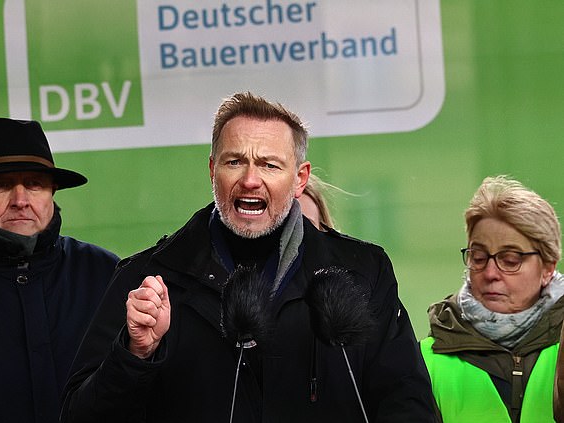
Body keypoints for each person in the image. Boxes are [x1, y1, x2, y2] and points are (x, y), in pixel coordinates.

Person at [61, 92, 435, 422]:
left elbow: (407, 403)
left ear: (299, 178)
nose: (251, 180)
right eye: (235, 161)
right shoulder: (148, 279)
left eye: (270, 165)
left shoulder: (363, 272)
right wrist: (134, 354)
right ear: (212, 170)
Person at [0, 118, 120, 423]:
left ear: (52, 192)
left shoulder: (104, 273)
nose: (20, 200)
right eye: (0, 185)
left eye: (34, 184)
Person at [421, 175, 564, 423]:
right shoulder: (426, 358)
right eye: (478, 257)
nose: (489, 273)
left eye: (510, 260)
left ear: (547, 269)